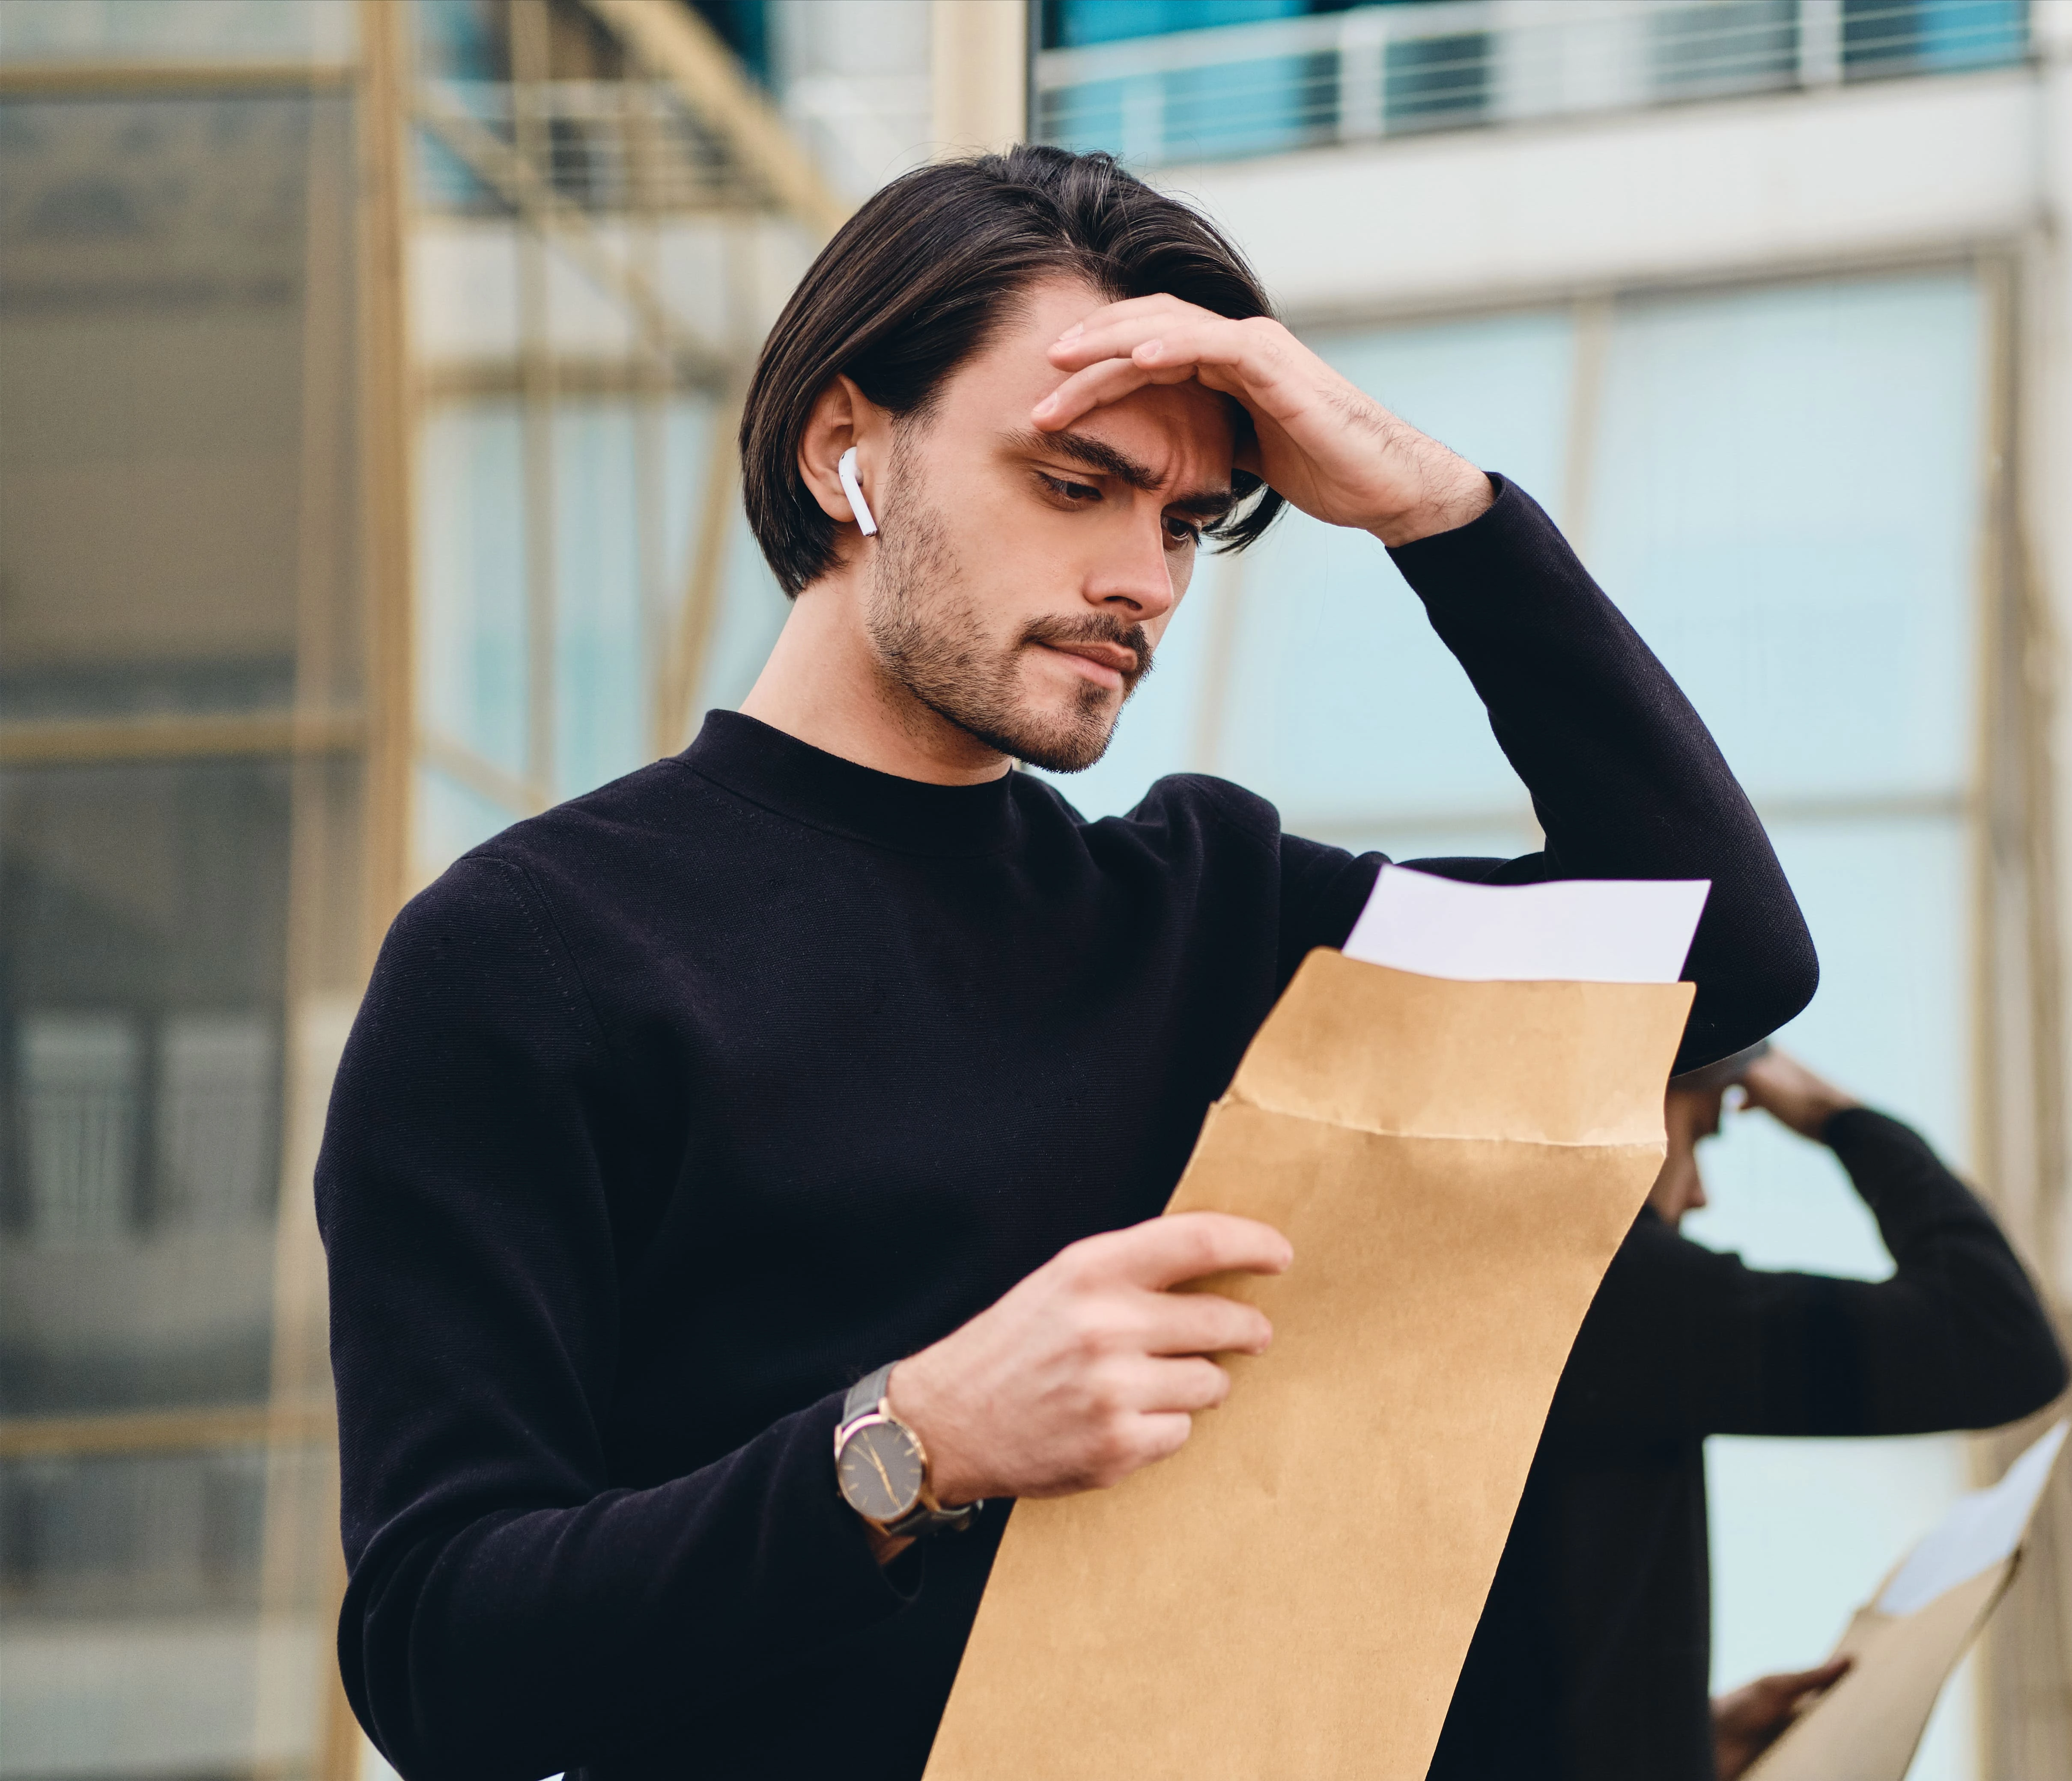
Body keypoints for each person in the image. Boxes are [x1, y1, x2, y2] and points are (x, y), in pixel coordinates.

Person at [315, 146, 1818, 1780]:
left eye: (1186, 520)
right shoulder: (530, 955)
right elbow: (436, 1656)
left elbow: (1720, 952)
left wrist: (1435, 511)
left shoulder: (1215, 913)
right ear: (848, 453)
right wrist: (916, 1443)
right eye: (1074, 482)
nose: (1147, 583)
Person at [1428, 1045, 2070, 1781]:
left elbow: (1499, 1653)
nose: (1698, 1195)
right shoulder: (1603, 1292)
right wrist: (1837, 1117)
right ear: (1627, 1104)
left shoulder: (1460, 1277)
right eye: (1699, 1132)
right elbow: (1997, 1344)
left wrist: (1681, 1737)